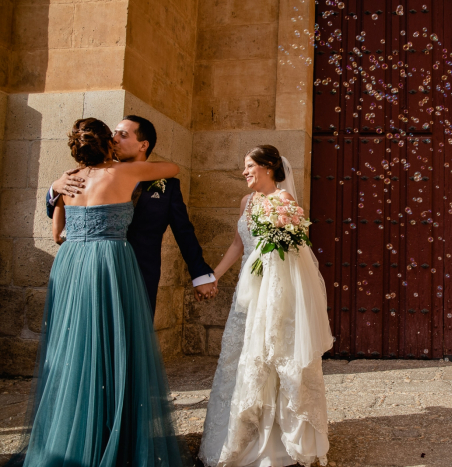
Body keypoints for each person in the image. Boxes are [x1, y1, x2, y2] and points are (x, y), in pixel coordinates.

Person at [15, 118, 193, 466]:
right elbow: (171, 167)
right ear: (107, 145)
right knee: (113, 344)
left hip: (70, 263)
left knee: (75, 346)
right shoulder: (123, 175)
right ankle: (112, 428)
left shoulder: (68, 181)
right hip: (109, 260)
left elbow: (57, 236)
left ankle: (73, 430)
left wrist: (56, 186)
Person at [198, 145, 333, 467]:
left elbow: (292, 257)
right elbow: (238, 244)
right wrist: (212, 275)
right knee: (237, 357)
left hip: (273, 296)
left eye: (248, 166)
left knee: (272, 357)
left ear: (268, 168)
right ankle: (236, 437)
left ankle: (277, 444)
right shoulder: (247, 202)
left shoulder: (284, 202)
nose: (244, 172)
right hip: (247, 296)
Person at [46, 115, 217, 312]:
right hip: (92, 272)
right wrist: (54, 188)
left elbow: (184, 231)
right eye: (114, 134)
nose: (115, 139)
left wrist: (200, 273)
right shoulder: (79, 176)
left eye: (123, 135)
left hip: (140, 275)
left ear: (143, 145)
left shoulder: (167, 186)